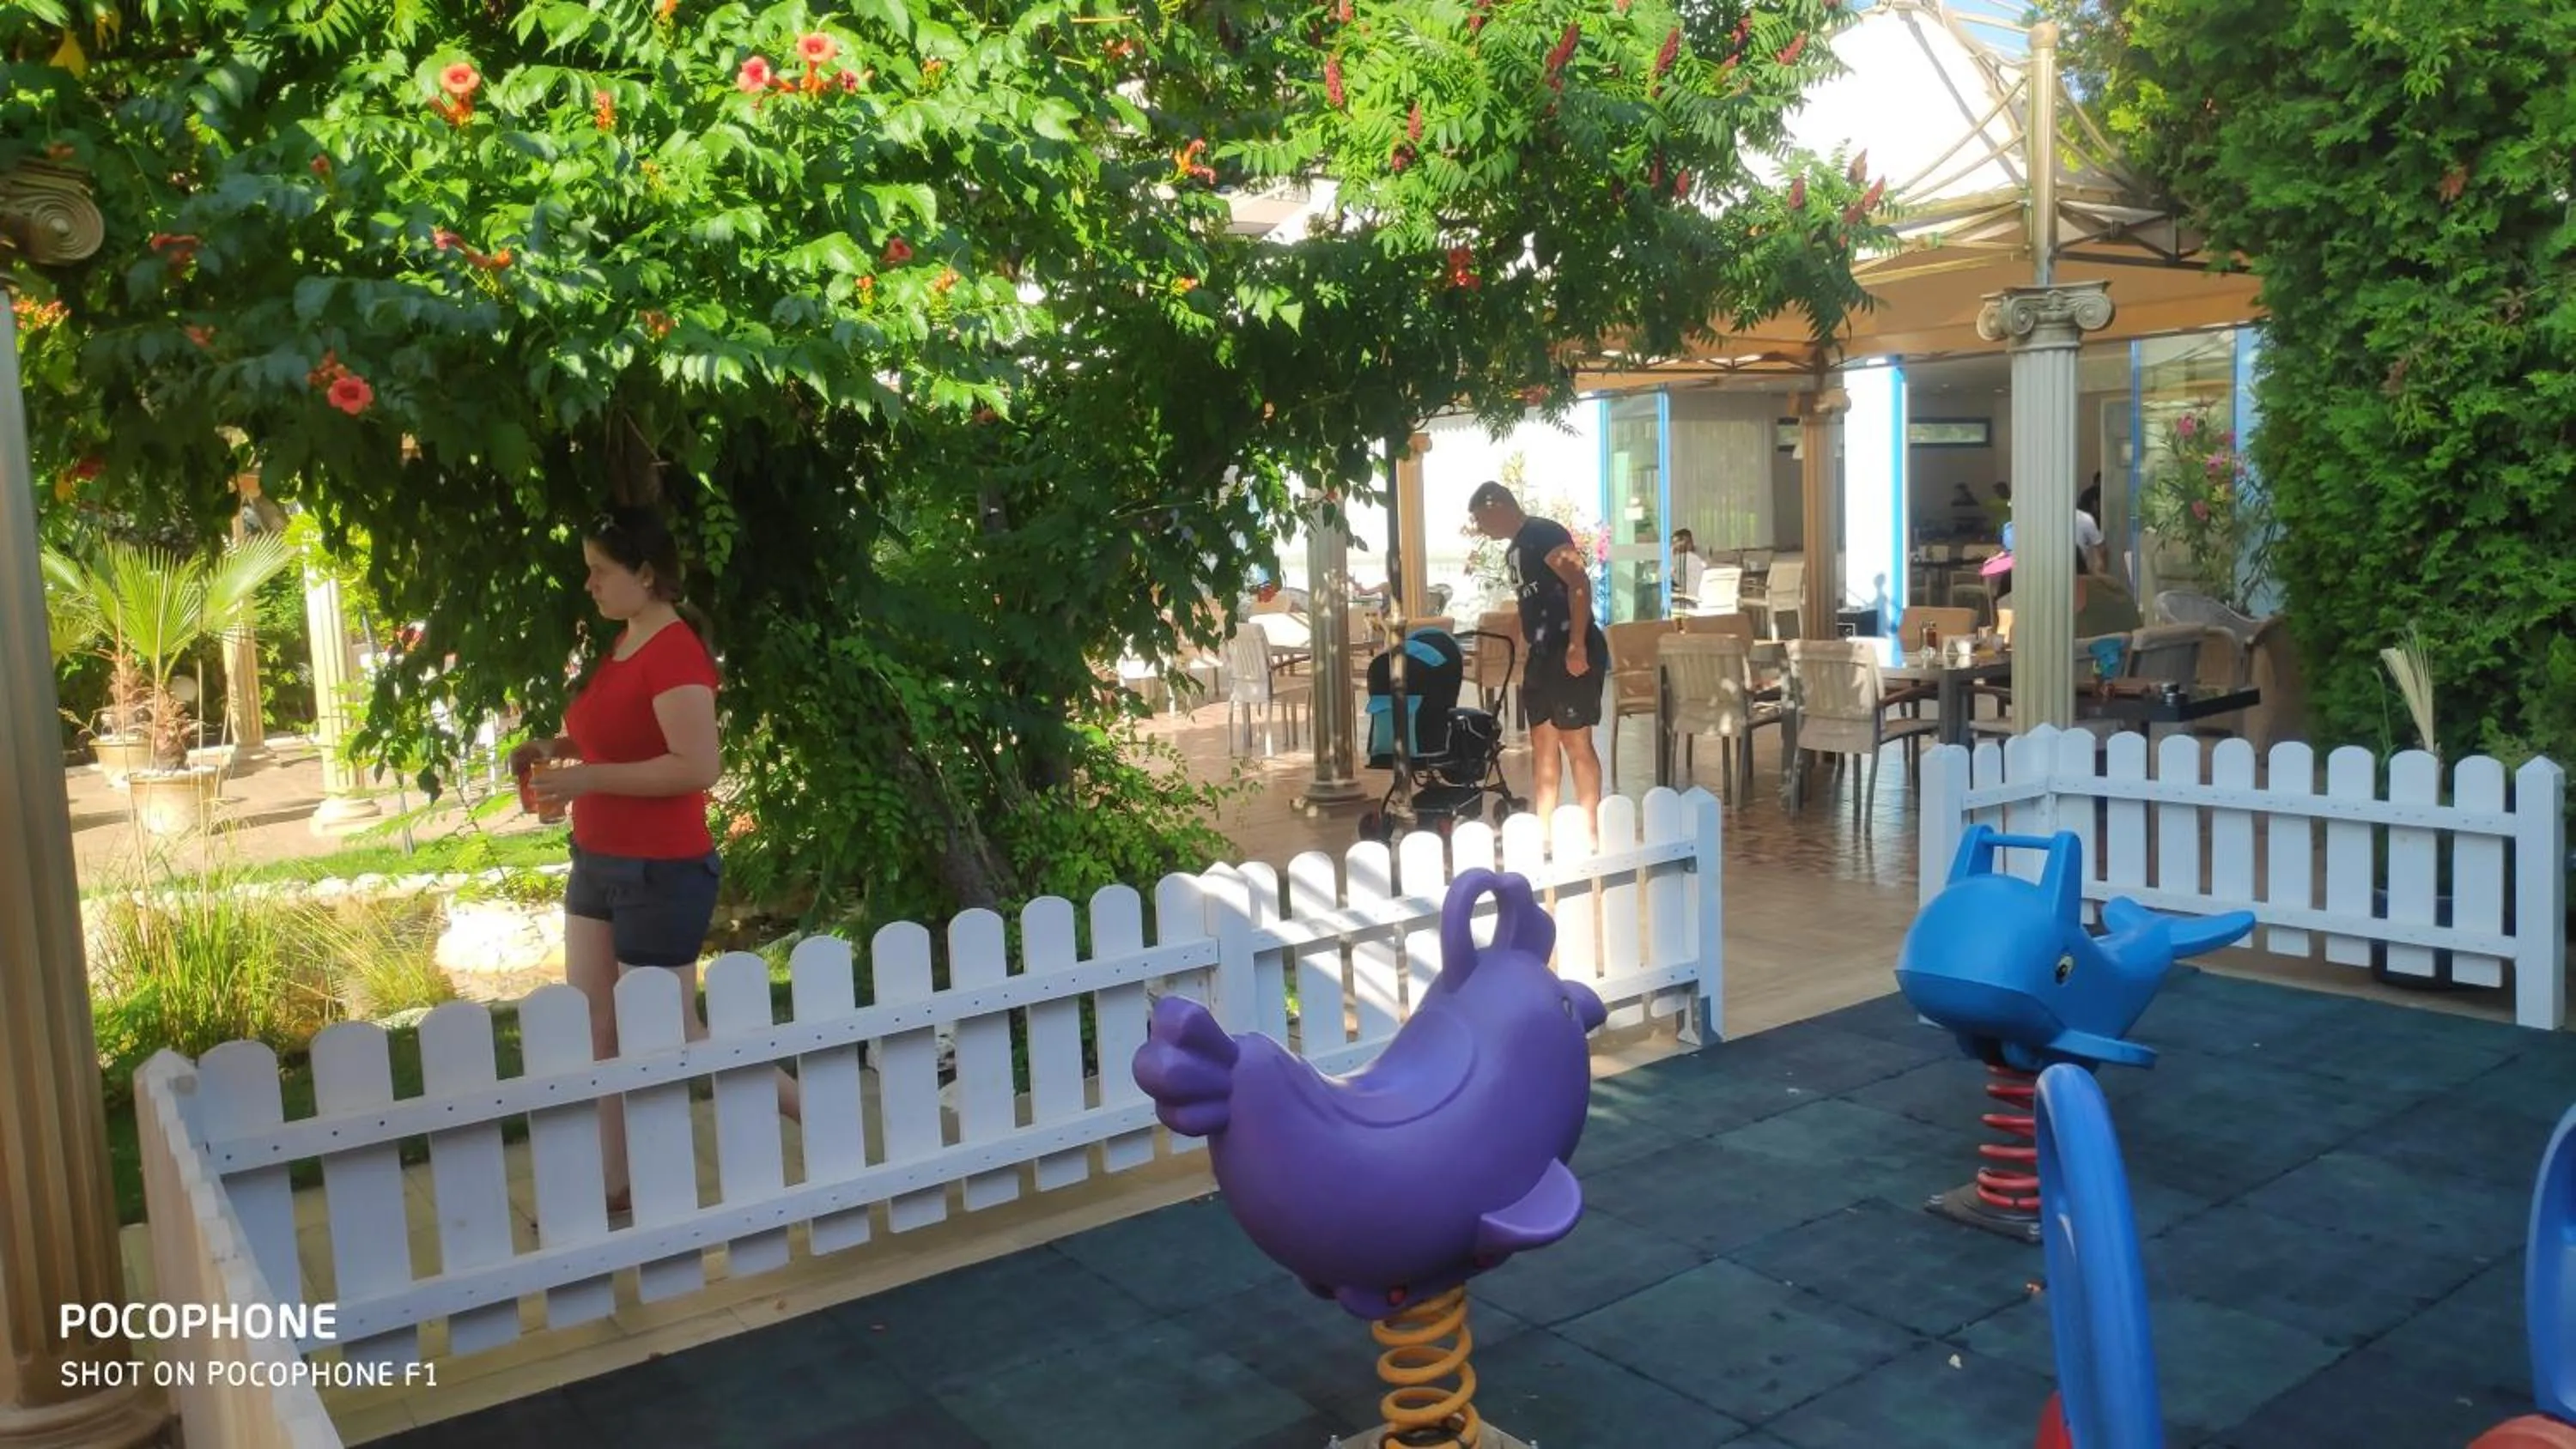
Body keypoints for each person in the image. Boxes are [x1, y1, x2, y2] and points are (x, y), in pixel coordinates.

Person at [509, 506, 799, 1216]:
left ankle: (823, 1115)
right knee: (596, 1029)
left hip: (661, 870)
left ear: (646, 574)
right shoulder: (626, 641)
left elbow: (696, 766)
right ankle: (613, 1183)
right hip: (599, 862)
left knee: (676, 1032)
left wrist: (588, 779)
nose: (589, 585)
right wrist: (558, 752)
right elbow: (625, 739)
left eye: (601, 571)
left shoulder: (674, 652)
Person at [1467, 481, 1606, 833]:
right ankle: (1545, 830)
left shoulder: (1544, 533)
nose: (1480, 528)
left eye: (1481, 519)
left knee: (1575, 739)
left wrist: (1577, 644)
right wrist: (1510, 640)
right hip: (1542, 655)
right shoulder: (1512, 550)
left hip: (1569, 646)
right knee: (1542, 741)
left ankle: (1591, 829)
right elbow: (1528, 599)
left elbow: (1578, 583)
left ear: (1496, 505)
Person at [1669, 529, 1707, 610]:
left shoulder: (1681, 560)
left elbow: (1662, 576)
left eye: (1673, 545)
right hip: (1702, 602)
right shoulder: (1699, 559)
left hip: (1687, 602)